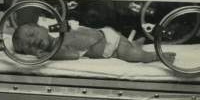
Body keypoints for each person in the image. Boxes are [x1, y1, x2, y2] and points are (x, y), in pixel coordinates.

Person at [12, 22, 175, 64]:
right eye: (29, 47)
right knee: (130, 50)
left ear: (42, 27)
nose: (33, 41)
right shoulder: (57, 48)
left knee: (133, 55)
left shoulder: (58, 40)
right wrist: (48, 56)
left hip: (110, 41)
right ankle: (137, 45)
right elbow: (73, 55)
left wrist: (49, 55)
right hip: (109, 41)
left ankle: (153, 56)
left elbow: (73, 54)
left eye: (32, 34)